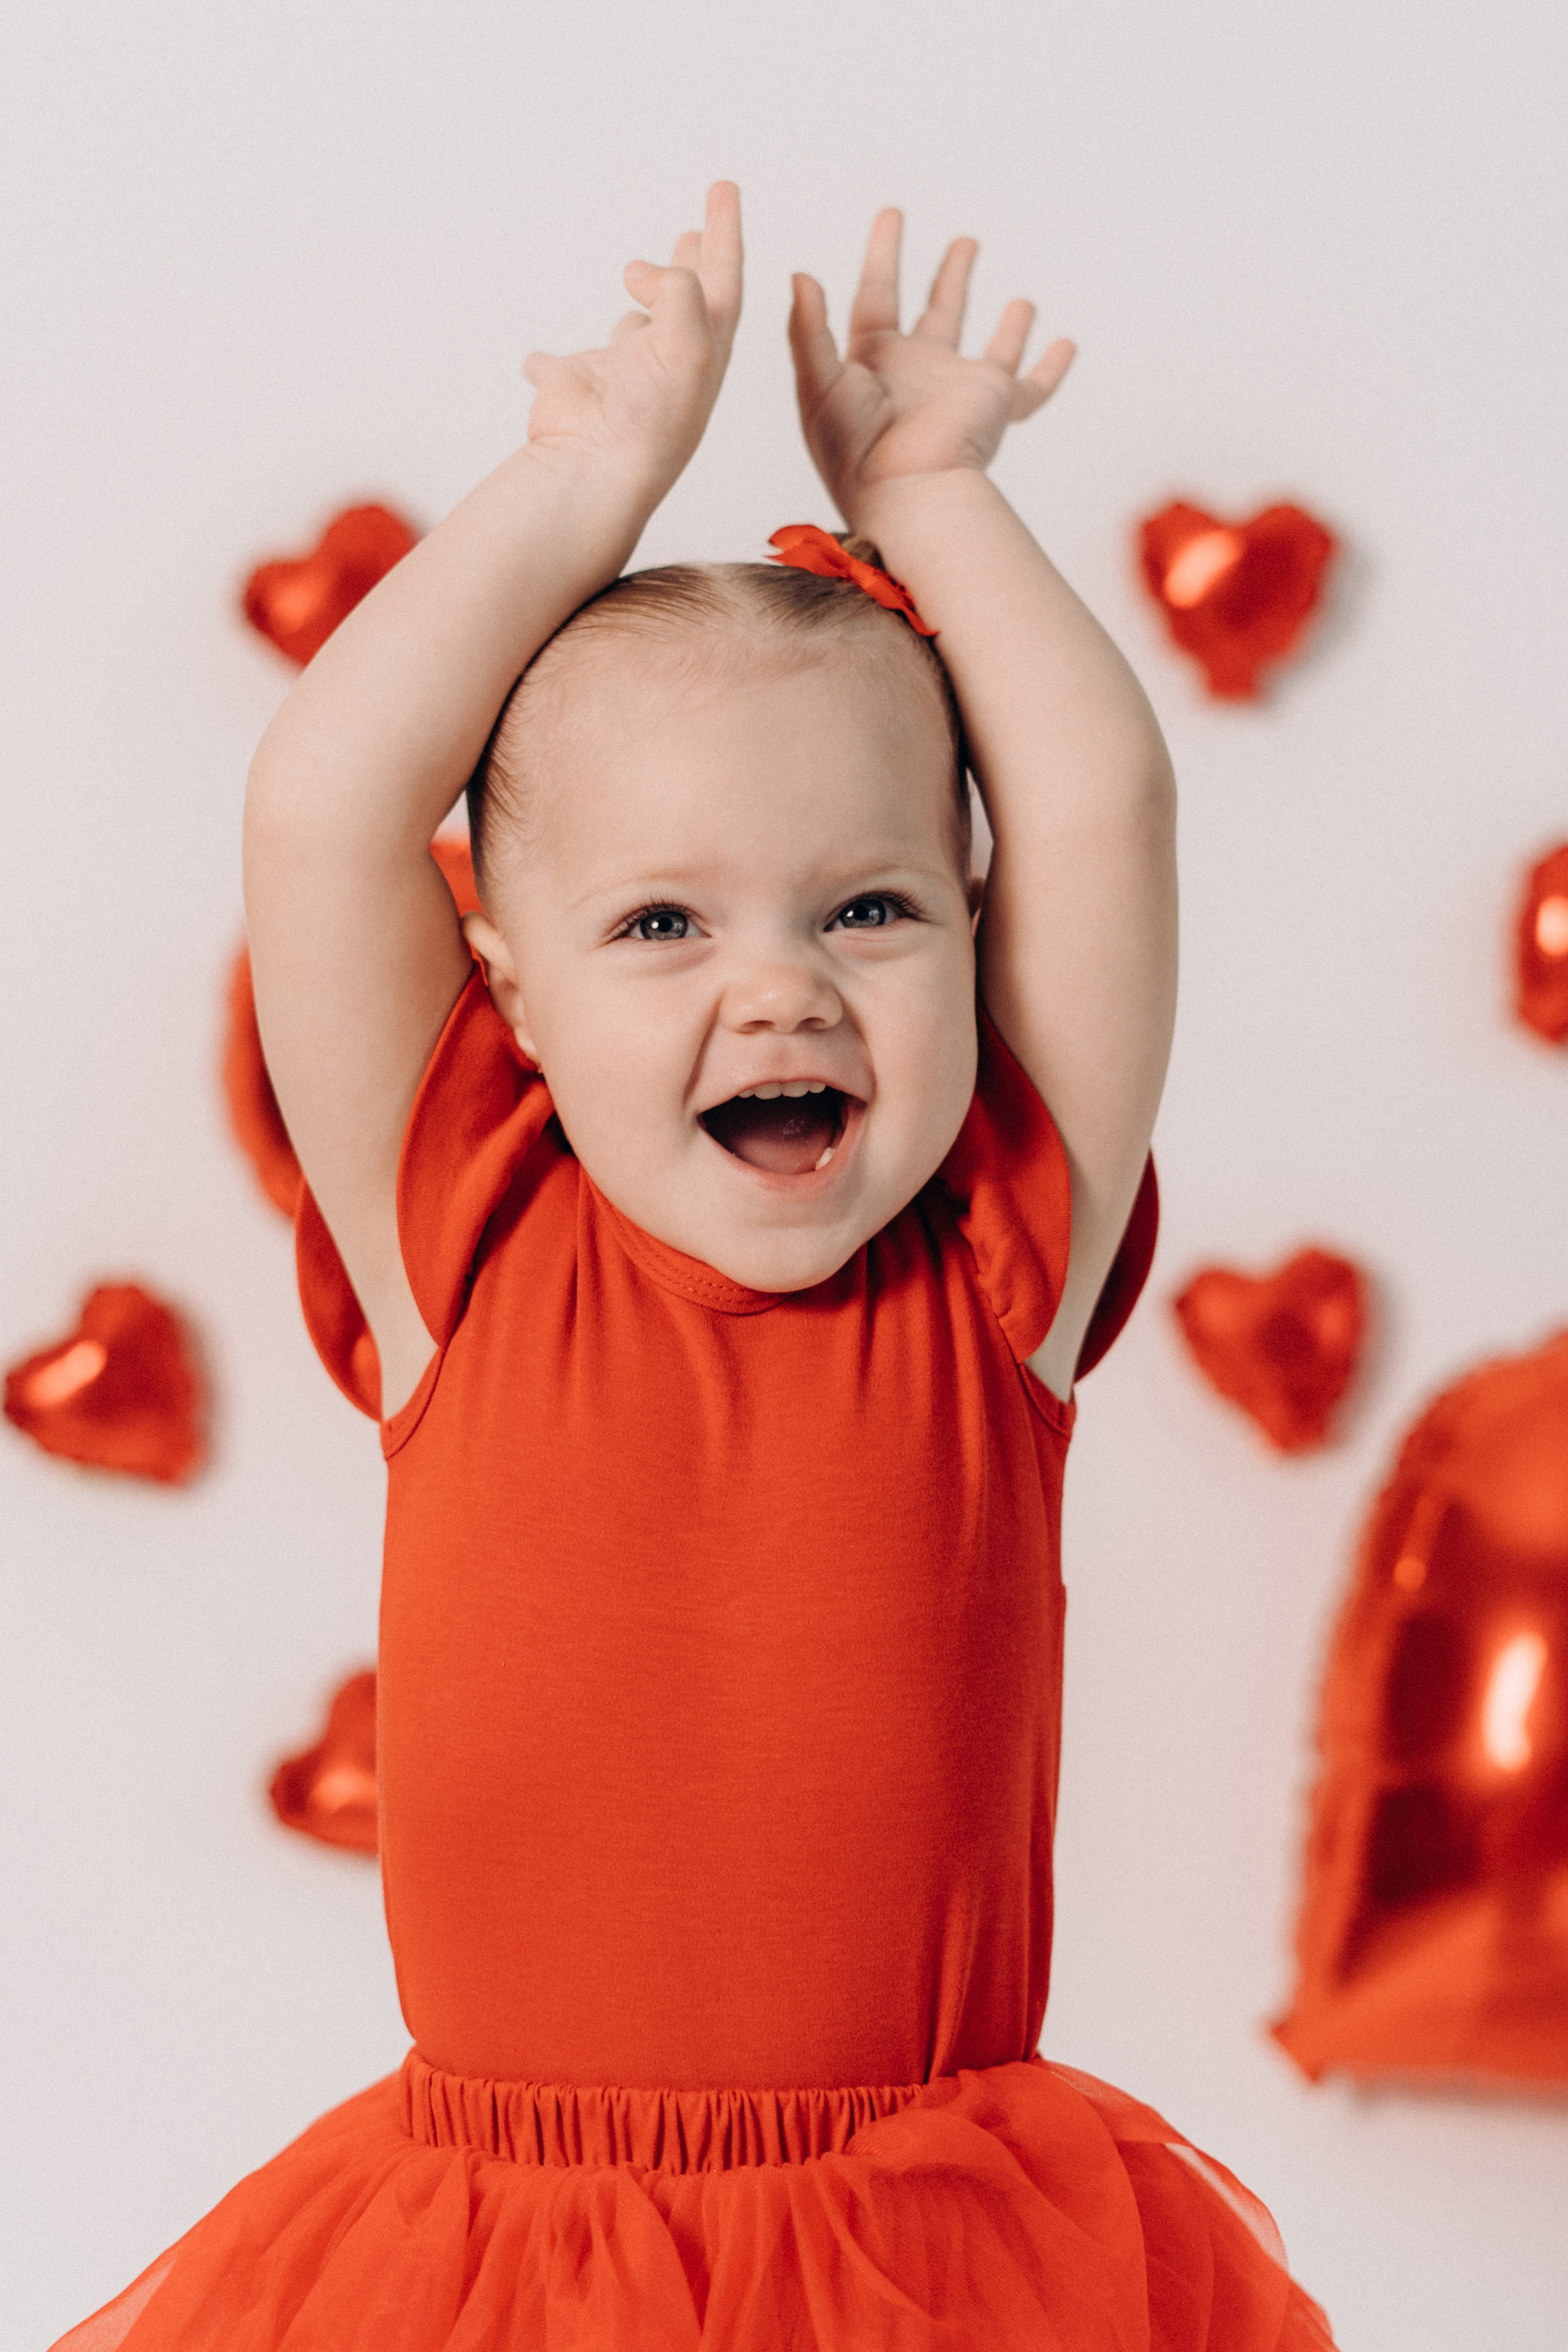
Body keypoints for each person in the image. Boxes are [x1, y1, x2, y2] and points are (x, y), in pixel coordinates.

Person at [57, 182, 1333, 2350]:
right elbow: (317, 810)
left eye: (870, 910)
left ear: (974, 938)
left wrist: (931, 500)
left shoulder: (1000, 1256)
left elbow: (1100, 798)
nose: (784, 993)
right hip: (492, 2263)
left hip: (935, 2255)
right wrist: (579, 482)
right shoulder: (456, 1241)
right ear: (514, 999)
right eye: (662, 924)